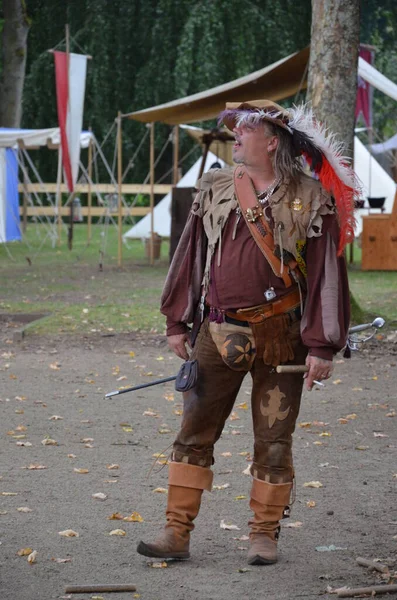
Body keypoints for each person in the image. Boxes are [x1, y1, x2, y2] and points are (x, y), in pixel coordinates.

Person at [137, 99, 356, 565]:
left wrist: (321, 345)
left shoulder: (312, 198)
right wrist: (177, 320)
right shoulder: (215, 188)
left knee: (274, 440)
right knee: (194, 432)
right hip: (216, 333)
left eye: (246, 130)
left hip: (285, 339)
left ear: (271, 142)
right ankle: (176, 531)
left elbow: (326, 277)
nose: (235, 135)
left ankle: (264, 534)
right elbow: (189, 255)